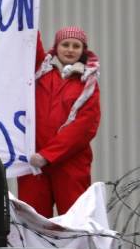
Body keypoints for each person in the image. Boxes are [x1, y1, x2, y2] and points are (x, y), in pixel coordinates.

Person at [17, 26, 102, 218]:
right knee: (33, 221)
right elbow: (31, 42)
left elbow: (84, 127)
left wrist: (48, 155)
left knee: (74, 221)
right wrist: (27, 8)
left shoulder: (87, 83)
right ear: (56, 47)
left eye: (76, 46)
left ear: (83, 50)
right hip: (33, 161)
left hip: (70, 163)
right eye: (65, 44)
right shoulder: (40, 72)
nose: (70, 50)